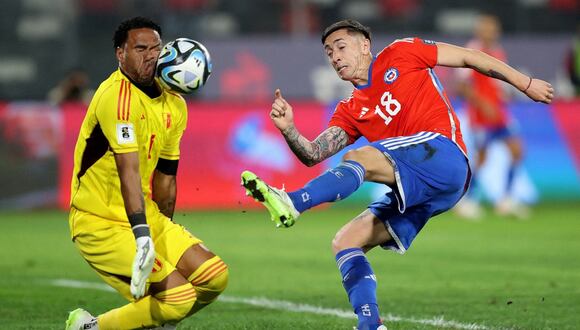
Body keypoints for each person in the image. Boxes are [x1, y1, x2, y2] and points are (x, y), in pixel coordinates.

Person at [241, 19, 553, 330]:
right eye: (328, 52)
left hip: (445, 155)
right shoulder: (350, 109)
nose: (335, 57)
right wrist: (289, 131)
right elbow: (312, 154)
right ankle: (370, 324)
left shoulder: (402, 53)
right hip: (428, 188)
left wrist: (524, 83)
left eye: (340, 47)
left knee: (360, 157)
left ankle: (294, 201)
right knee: (346, 241)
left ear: (365, 45)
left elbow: (470, 58)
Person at [65, 17, 228, 330]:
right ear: (120, 54)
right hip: (100, 222)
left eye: (155, 48)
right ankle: (89, 328)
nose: (150, 55)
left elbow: (166, 177)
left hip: (145, 214)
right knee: (178, 298)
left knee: (214, 277)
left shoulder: (175, 104)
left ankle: (155, 322)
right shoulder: (116, 97)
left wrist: (164, 228)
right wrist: (143, 237)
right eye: (140, 48)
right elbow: (128, 171)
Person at [454, 14, 528, 219]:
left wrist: (504, 94)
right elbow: (461, 86)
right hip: (480, 116)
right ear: (479, 31)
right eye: (487, 28)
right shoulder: (471, 52)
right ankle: (467, 200)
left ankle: (506, 200)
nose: (491, 32)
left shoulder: (497, 51)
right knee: (482, 158)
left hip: (499, 113)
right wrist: (482, 103)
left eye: (494, 28)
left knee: (517, 151)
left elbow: (497, 83)